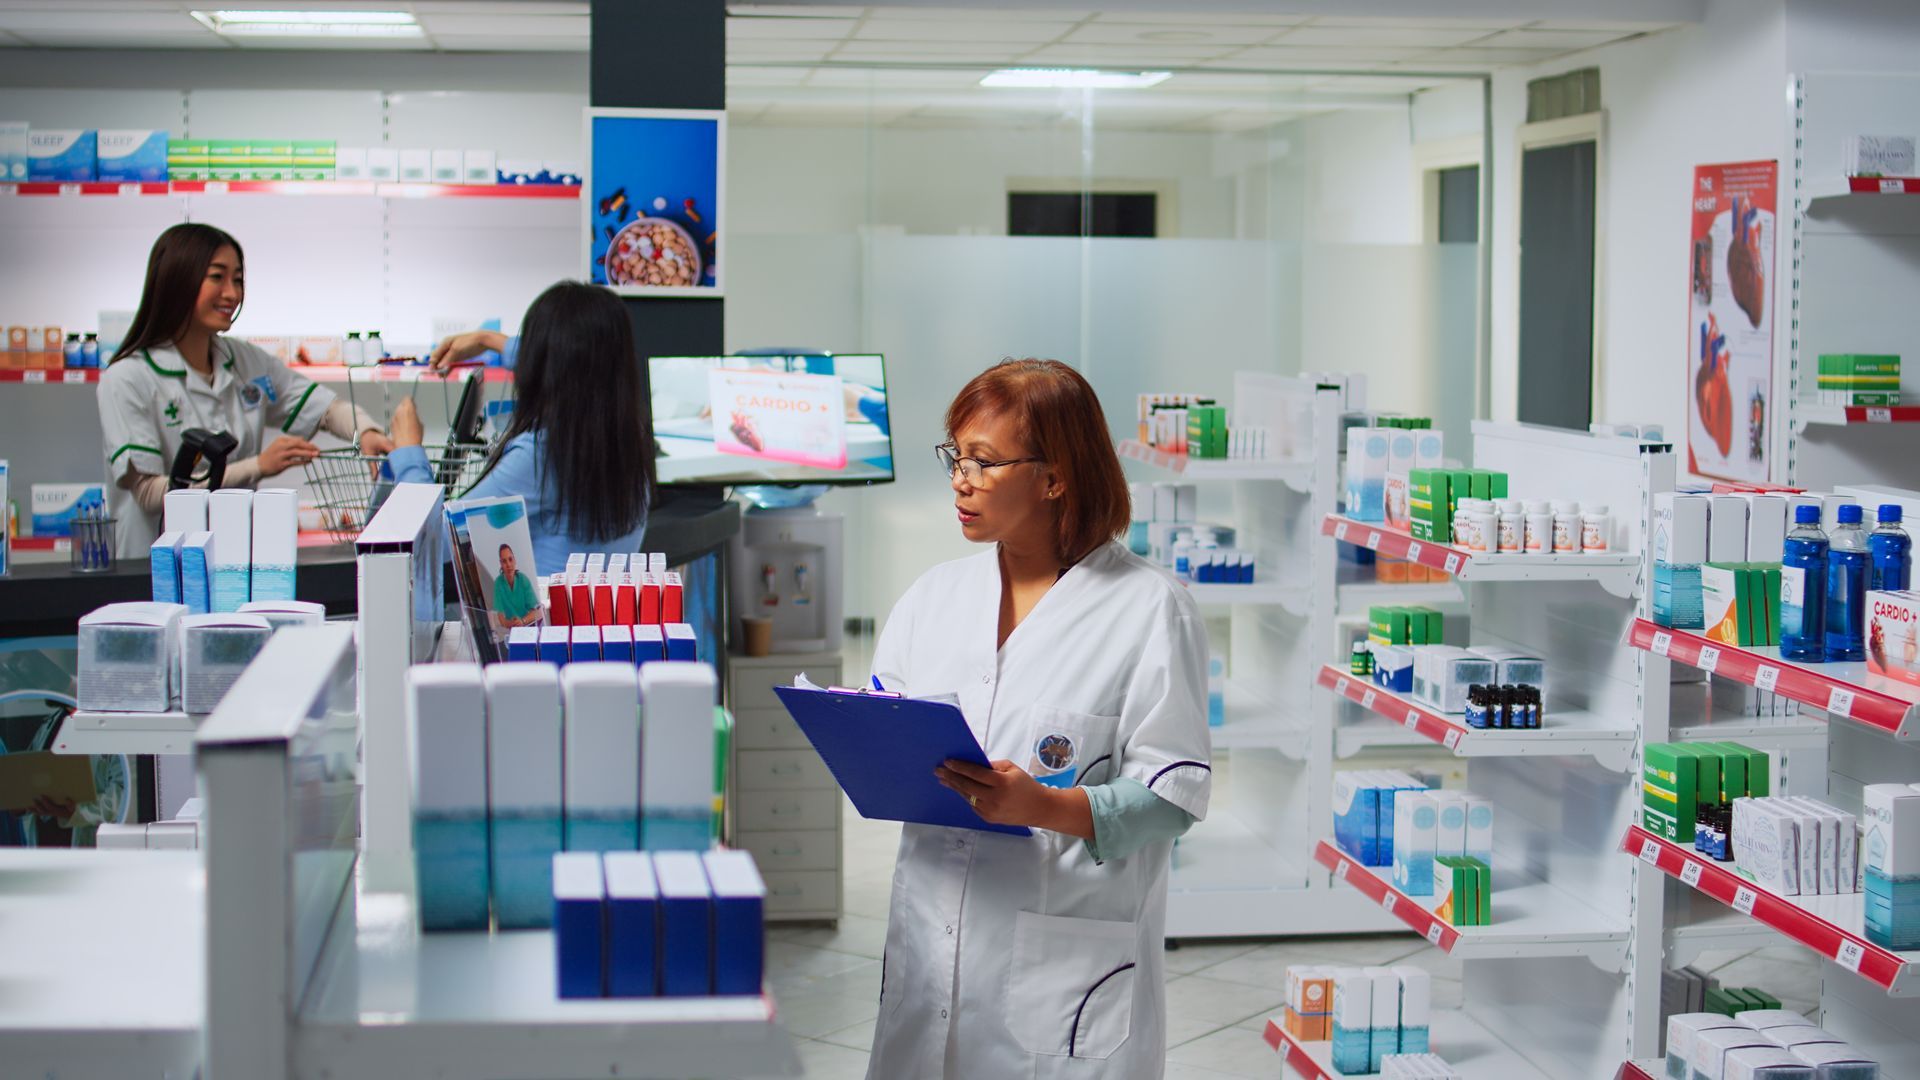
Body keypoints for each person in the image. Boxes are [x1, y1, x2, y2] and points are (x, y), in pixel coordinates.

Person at [866, 358, 1211, 1079]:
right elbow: (882, 724)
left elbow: (1172, 797)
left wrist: (1044, 805)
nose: (961, 479)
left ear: (1055, 477)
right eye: (956, 456)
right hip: (931, 940)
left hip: (1063, 970)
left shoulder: (1150, 609)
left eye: (985, 462)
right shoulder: (933, 598)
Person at [97, 223, 392, 557]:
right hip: (157, 567)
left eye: (237, 279)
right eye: (217, 277)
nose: (232, 293)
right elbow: (150, 494)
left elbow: (324, 408)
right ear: (177, 279)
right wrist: (259, 466)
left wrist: (364, 430)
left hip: (232, 560)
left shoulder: (245, 361)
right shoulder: (127, 378)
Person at [388, 281, 654, 576]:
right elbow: (576, 360)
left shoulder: (540, 456)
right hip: (599, 620)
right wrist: (488, 339)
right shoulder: (624, 437)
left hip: (546, 621)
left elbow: (433, 542)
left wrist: (408, 451)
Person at [491, 543, 541, 628]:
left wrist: (522, 621)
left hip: (529, 626)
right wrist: (512, 624)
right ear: (501, 564)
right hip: (512, 629)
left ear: (515, 560)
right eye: (504, 561)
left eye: (510, 559)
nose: (508, 565)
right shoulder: (498, 584)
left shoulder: (523, 579)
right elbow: (501, 618)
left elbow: (537, 612)